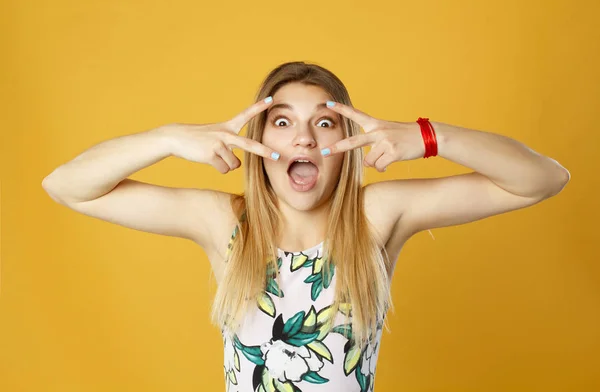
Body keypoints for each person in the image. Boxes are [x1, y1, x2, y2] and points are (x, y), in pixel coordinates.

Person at [42, 61, 570, 392]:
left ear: (345, 148)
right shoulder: (225, 224)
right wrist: (170, 138)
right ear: (261, 143)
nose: (303, 139)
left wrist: (428, 136)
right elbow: (66, 185)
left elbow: (543, 179)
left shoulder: (375, 217)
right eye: (282, 121)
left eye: (324, 122)